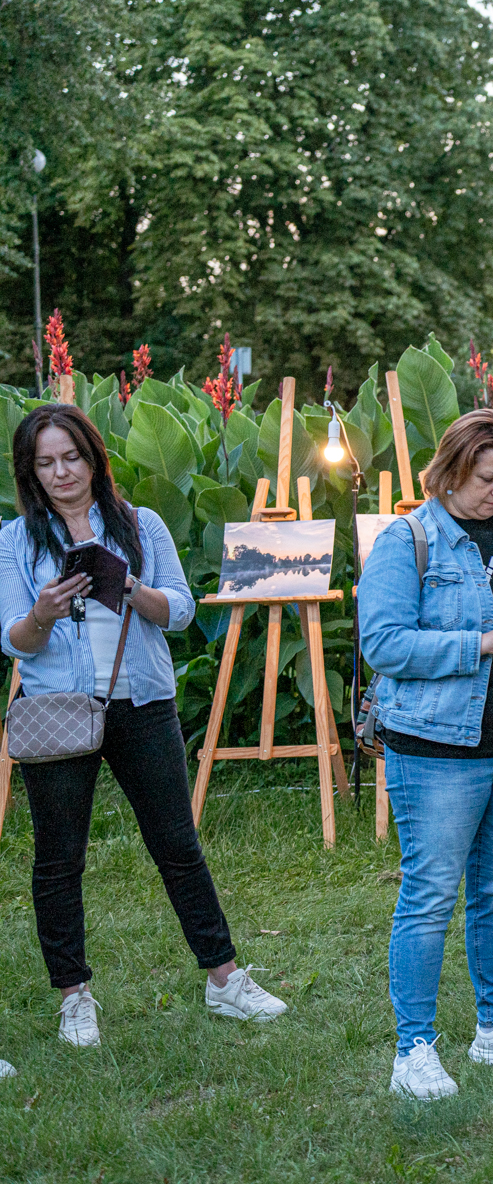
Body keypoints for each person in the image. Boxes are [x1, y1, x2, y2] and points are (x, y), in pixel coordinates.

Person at [0, 405, 287, 1049]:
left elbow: (180, 611)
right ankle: (74, 997)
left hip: (143, 702)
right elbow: (13, 640)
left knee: (177, 844)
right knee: (58, 860)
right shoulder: (15, 541)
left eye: (72, 457)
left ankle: (225, 981)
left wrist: (127, 587)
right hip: (58, 709)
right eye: (45, 463)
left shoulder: (140, 524)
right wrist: (44, 613)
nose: (61, 472)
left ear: (93, 458)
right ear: (30, 472)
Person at [360, 410, 493, 1100]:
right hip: (438, 748)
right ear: (451, 471)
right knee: (430, 895)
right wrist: (480, 644)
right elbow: (383, 644)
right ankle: (413, 1049)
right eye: (488, 479)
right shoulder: (408, 540)